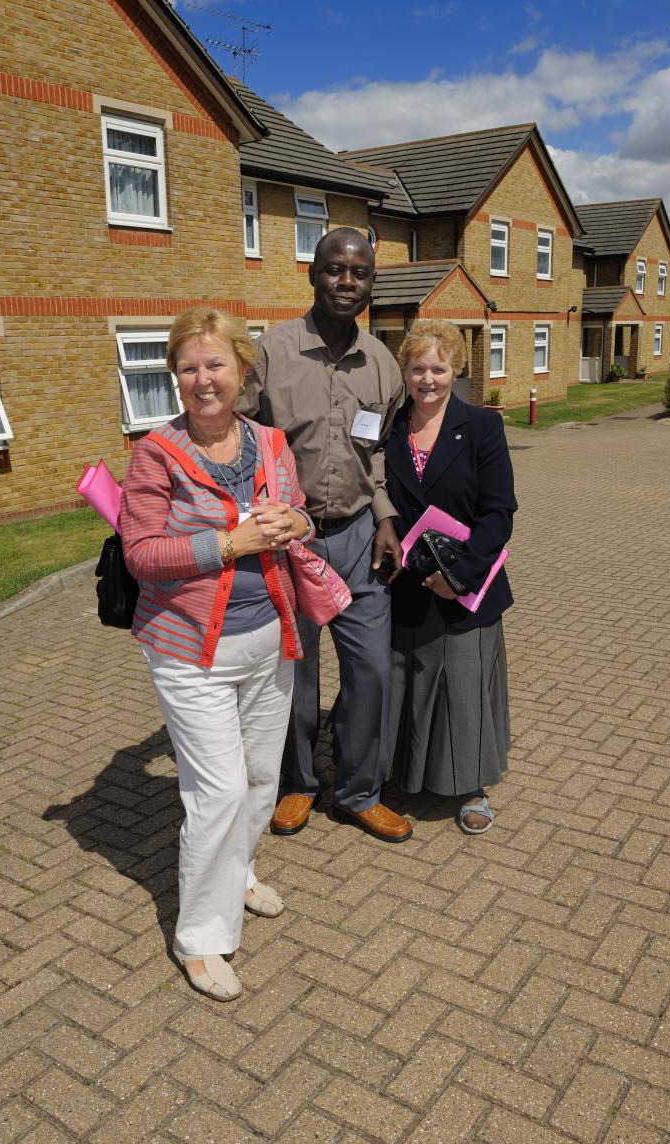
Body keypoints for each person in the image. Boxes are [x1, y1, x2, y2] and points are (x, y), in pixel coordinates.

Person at [120, 308, 314, 1001]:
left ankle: (240, 873)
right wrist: (230, 546)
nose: (203, 380)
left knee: (262, 777)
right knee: (219, 792)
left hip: (271, 641)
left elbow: (298, 512)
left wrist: (294, 522)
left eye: (215, 365)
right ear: (176, 377)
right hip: (190, 653)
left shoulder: (268, 440)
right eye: (189, 367)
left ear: (241, 370)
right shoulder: (155, 454)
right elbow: (142, 555)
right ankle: (199, 938)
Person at [240, 227, 412, 843]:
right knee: (298, 670)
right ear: (313, 274)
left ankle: (360, 791)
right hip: (293, 543)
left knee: (371, 671)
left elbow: (379, 452)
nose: (347, 281)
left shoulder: (384, 364)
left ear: (371, 283)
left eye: (360, 273)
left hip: (363, 539)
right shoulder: (271, 353)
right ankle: (297, 783)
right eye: (335, 269)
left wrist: (387, 516)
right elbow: (239, 443)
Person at [384, 319, 517, 833]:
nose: (428, 379)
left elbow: (499, 511)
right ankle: (406, 775)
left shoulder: (483, 426)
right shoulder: (390, 428)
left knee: (463, 685)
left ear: (455, 370)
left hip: (468, 585)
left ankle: (472, 786)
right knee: (409, 682)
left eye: (438, 368)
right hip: (408, 585)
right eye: (418, 368)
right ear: (406, 371)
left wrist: (459, 575)